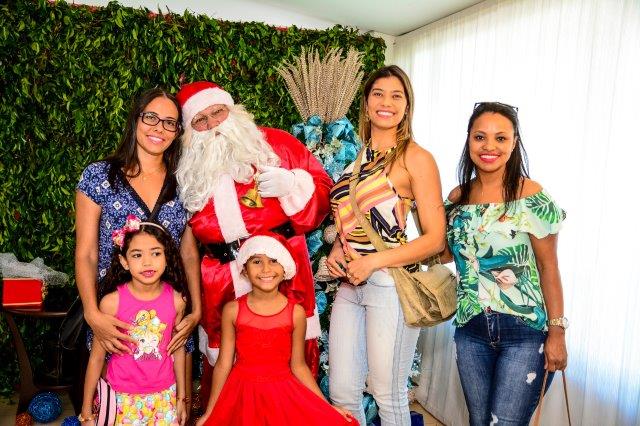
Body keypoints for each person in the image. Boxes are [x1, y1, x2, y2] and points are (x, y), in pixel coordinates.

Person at [175, 81, 332, 401]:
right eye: (200, 120)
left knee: (290, 354)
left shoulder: (276, 143)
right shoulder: (188, 168)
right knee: (225, 360)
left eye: (217, 112)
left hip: (281, 270)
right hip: (221, 279)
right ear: (189, 130)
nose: (212, 125)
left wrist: (293, 185)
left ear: (232, 110)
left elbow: (324, 192)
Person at [326, 65, 446, 425]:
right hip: (351, 285)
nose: (386, 102)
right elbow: (351, 222)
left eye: (397, 95)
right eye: (378, 94)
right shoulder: (357, 158)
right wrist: (337, 250)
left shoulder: (415, 158)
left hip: (389, 286)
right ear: (366, 103)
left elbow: (435, 239)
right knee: (342, 394)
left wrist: (373, 262)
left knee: (388, 394)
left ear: (407, 106)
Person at [75, 88, 201, 414]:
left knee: (173, 410)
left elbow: (189, 254)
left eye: (170, 122)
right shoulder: (99, 177)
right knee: (114, 410)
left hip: (172, 316)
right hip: (114, 317)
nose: (159, 128)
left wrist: (196, 311)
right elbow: (86, 253)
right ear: (135, 119)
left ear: (178, 131)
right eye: (151, 117)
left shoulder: (185, 182)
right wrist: (92, 313)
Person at [443, 102, 568, 425]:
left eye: (501, 138)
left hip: (524, 332)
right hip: (470, 330)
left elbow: (549, 267)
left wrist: (557, 332)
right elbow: (443, 254)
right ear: (468, 140)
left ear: (514, 143)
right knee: (479, 421)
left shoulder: (531, 196)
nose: (489, 146)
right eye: (480, 137)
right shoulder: (457, 198)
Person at [196, 234, 356, 426]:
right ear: (245, 269)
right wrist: (211, 412)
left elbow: (299, 366)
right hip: (242, 395)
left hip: (282, 395)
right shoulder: (233, 310)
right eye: (257, 261)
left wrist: (326, 406)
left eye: (273, 261)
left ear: (284, 267)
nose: (266, 269)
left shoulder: (295, 313)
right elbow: (223, 364)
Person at [79, 216, 189, 425]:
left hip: (165, 398)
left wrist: (181, 398)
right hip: (122, 399)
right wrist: (86, 411)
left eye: (156, 253)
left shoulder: (177, 300)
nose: (147, 262)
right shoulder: (111, 303)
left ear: (167, 256)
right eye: (137, 255)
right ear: (124, 261)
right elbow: (96, 359)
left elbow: (178, 349)